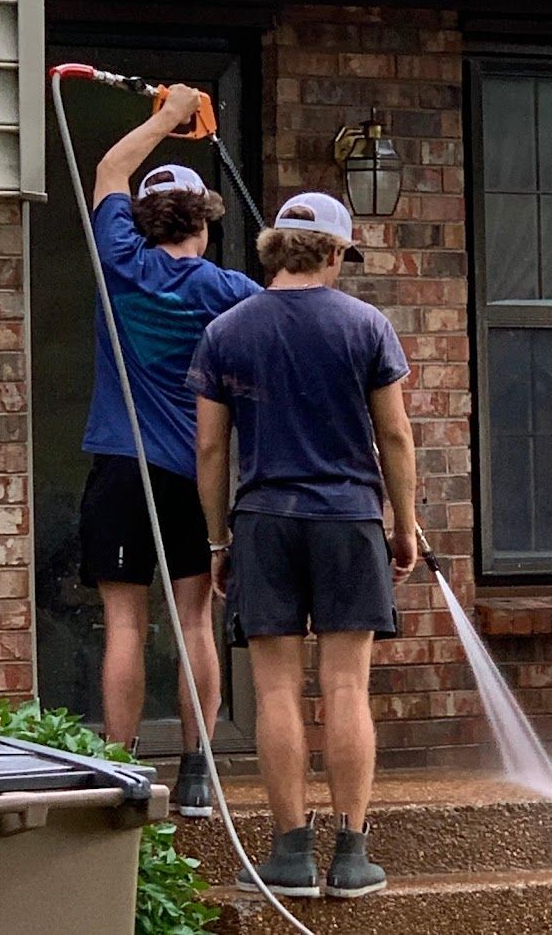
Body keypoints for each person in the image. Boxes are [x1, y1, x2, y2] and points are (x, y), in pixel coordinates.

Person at [188, 192, 417, 895]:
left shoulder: (226, 330)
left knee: (276, 690)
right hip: (348, 518)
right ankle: (351, 855)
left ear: (273, 249)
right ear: (335, 251)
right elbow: (396, 436)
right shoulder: (365, 325)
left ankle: (289, 855)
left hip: (264, 521)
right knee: (346, 685)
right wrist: (401, 525)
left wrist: (219, 538)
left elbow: (208, 447)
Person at [79, 84, 261, 817]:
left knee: (125, 622)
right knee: (194, 623)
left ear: (144, 219)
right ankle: (194, 769)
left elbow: (109, 172)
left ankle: (123, 770)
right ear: (205, 223)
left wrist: (167, 115)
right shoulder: (232, 291)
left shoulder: (118, 259)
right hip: (193, 471)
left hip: (120, 467)